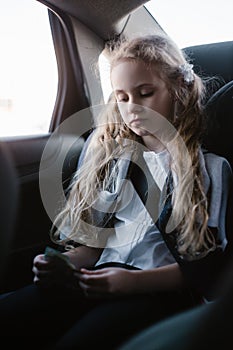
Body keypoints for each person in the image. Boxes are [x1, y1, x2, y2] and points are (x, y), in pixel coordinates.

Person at [0, 33, 232, 349]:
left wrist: (132, 283)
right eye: (122, 98)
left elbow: (203, 270)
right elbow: (93, 250)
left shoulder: (211, 169)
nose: (132, 107)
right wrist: (65, 264)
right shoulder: (115, 162)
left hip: (161, 292)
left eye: (145, 93)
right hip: (102, 278)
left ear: (178, 91)